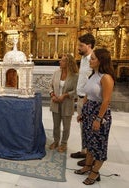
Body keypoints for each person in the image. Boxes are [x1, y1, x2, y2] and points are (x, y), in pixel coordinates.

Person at [74, 48, 115, 185]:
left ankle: (95, 172)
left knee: (99, 144)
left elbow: (106, 101)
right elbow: (87, 95)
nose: (90, 61)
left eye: (93, 59)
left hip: (99, 113)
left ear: (101, 60)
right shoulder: (93, 75)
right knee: (89, 142)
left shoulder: (106, 78)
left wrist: (98, 119)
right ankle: (87, 165)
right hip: (89, 111)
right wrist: (82, 113)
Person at [70, 33, 95, 167]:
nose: (78, 48)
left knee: (89, 129)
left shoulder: (94, 59)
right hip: (81, 98)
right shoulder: (84, 59)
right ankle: (84, 151)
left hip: (89, 100)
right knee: (83, 127)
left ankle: (90, 157)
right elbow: (82, 79)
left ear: (89, 46)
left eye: (81, 45)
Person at [49, 54, 78, 152]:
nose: (60, 62)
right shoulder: (56, 72)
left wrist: (65, 95)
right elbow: (50, 86)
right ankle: (56, 141)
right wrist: (52, 95)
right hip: (55, 102)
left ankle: (64, 143)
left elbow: (76, 91)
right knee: (56, 125)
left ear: (68, 63)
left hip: (67, 103)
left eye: (62, 61)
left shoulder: (74, 76)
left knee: (66, 126)